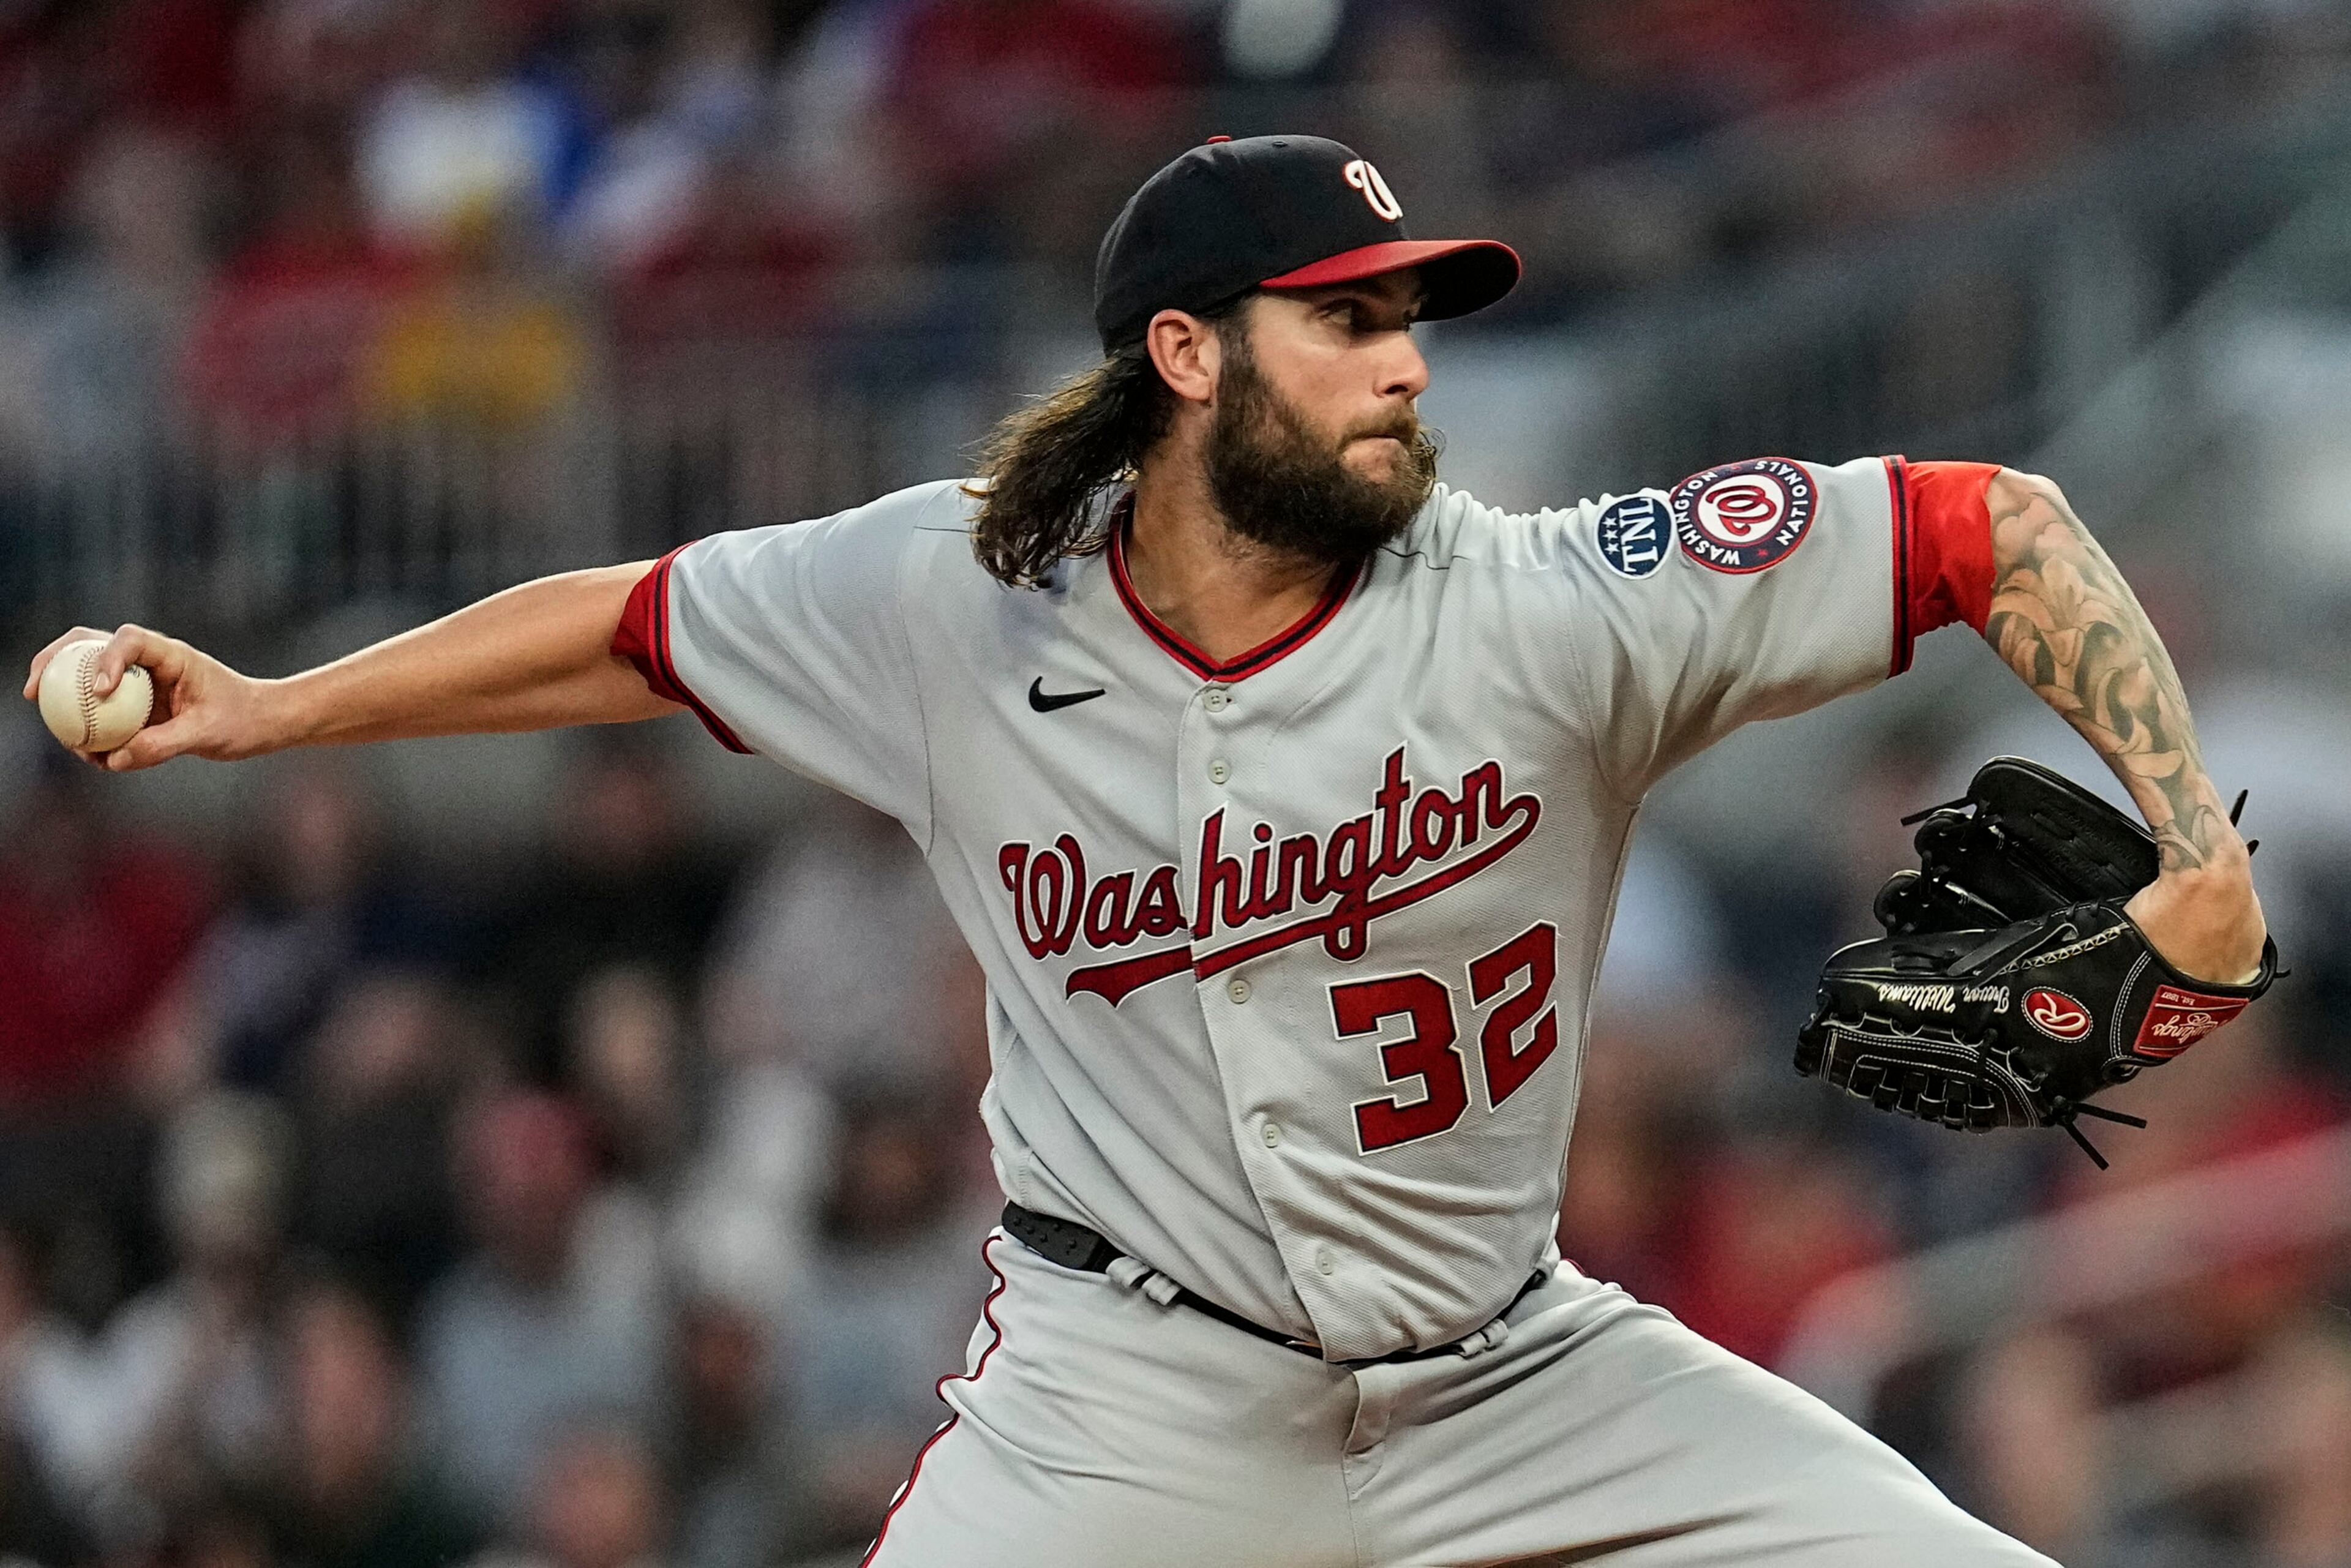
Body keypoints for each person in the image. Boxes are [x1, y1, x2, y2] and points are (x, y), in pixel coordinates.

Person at [24, 135, 2268, 1566]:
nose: (1406, 367)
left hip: (1520, 1375)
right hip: (1132, 1406)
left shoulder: (1549, 600)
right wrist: (281, 706)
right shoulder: (946, 601)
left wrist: (2197, 849)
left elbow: (1994, 527)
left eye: (1414, 318)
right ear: (1185, 353)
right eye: (1351, 317)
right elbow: (624, 627)